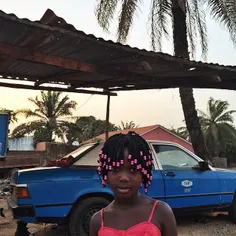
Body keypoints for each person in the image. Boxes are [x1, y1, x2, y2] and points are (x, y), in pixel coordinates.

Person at [89, 132, 177, 236]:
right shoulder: (98, 220)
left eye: (133, 169)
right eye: (116, 169)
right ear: (105, 172)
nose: (124, 178)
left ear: (143, 172)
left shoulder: (161, 212)